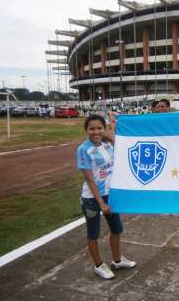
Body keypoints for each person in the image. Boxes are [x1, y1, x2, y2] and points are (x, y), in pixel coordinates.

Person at [77, 114, 136, 279]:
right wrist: (101, 202)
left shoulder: (107, 144)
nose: (96, 132)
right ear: (86, 130)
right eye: (92, 128)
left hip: (111, 195)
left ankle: (117, 260)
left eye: (99, 128)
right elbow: (89, 178)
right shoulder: (84, 149)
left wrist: (112, 131)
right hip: (92, 199)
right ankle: (99, 265)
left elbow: (122, 148)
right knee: (93, 233)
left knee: (117, 228)